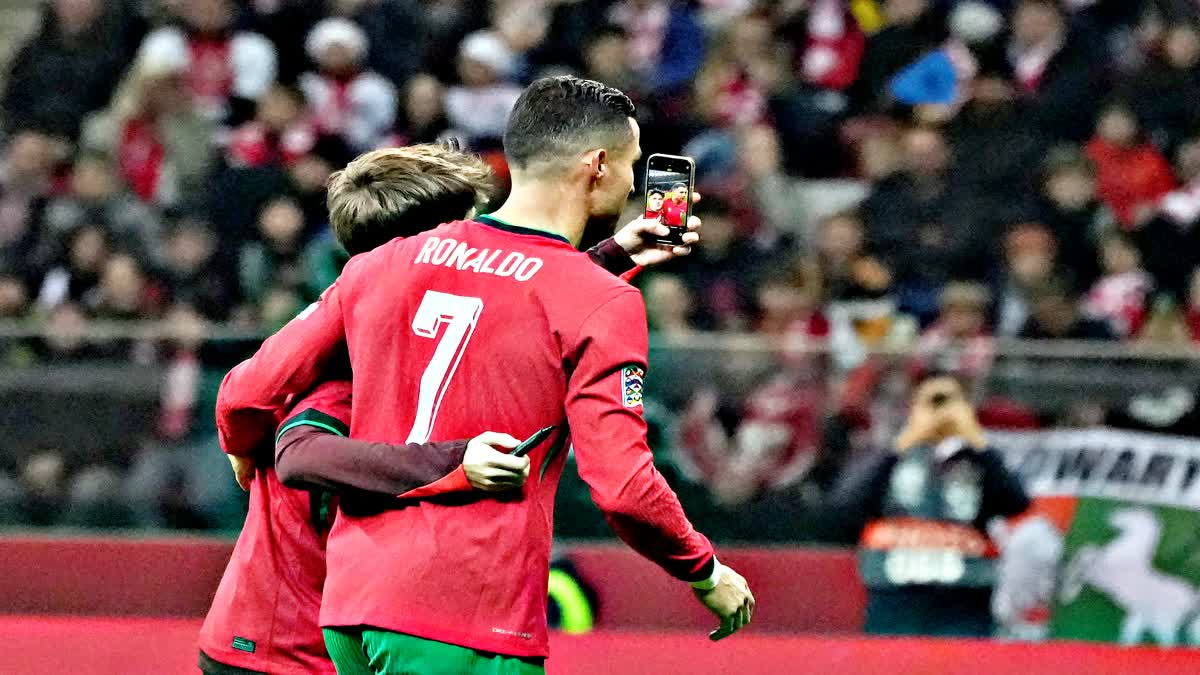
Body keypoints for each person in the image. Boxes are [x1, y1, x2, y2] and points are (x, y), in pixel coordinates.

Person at [215, 76, 752, 674]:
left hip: (351, 608)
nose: (633, 182)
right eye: (630, 164)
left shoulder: (386, 261)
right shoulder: (599, 303)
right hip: (465, 614)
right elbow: (622, 486)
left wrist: (242, 446)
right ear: (597, 166)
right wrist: (702, 569)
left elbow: (245, 391)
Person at [835, 371, 1030, 637]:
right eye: (931, 402)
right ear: (913, 406)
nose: (941, 411)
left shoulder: (979, 457)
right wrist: (903, 443)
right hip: (895, 591)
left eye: (950, 401)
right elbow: (848, 505)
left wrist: (976, 442)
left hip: (964, 595)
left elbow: (1017, 503)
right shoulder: (889, 452)